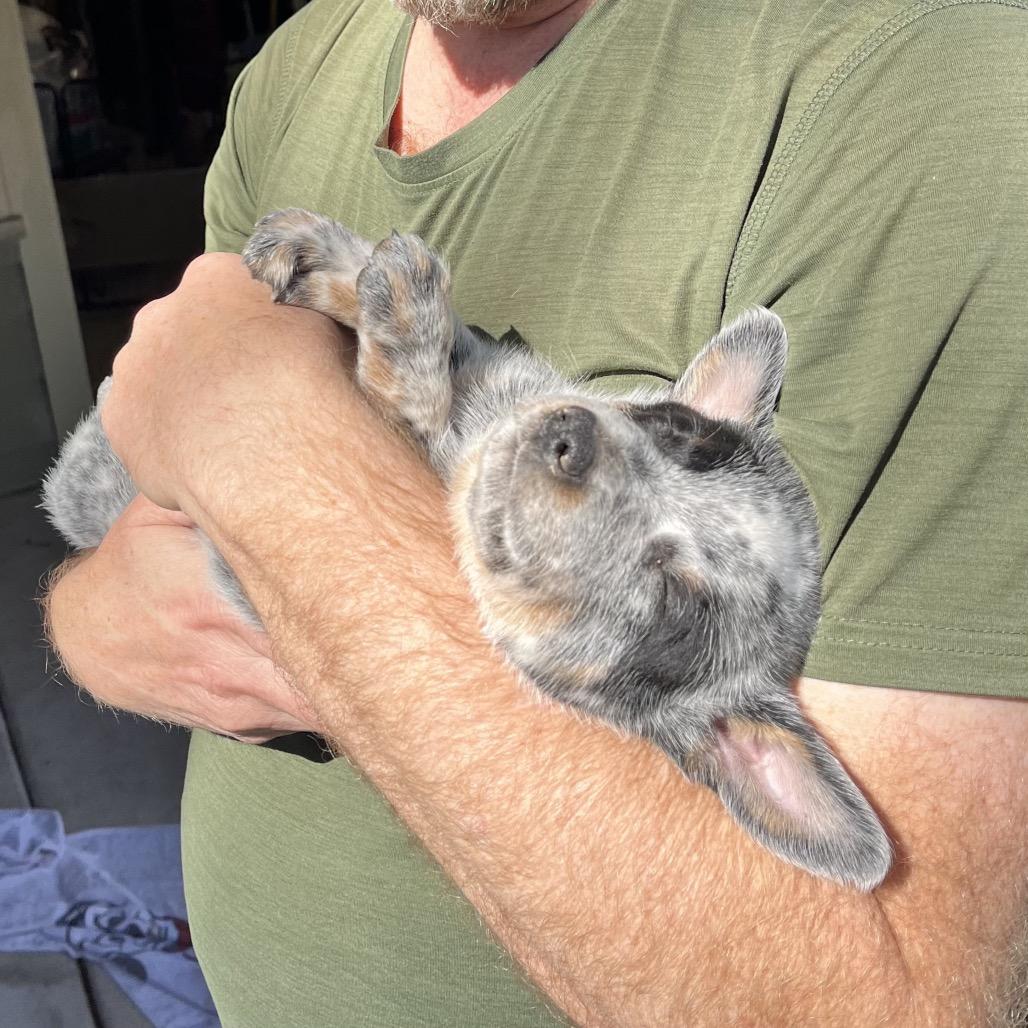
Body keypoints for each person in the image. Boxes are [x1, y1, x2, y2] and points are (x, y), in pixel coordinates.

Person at [45, 0, 1028, 1024]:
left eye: (666, 579)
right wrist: (86, 619)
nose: (584, 443)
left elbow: (896, 1000)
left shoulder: (926, 100)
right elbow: (141, 493)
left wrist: (276, 442)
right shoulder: (302, 64)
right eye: (668, 429)